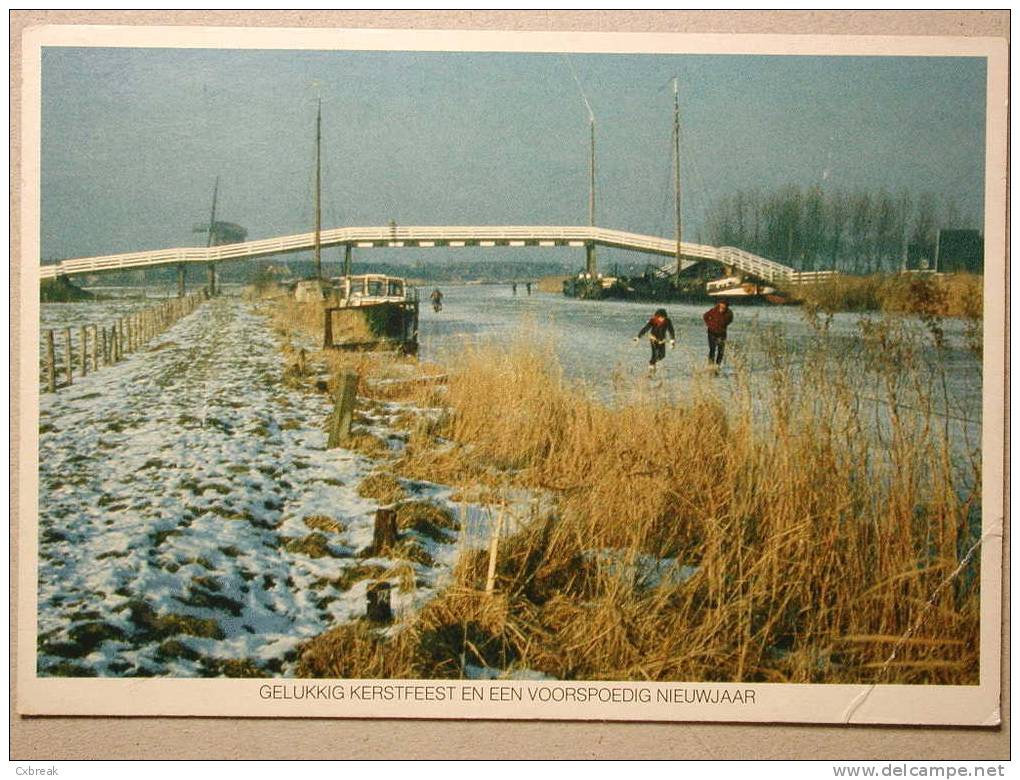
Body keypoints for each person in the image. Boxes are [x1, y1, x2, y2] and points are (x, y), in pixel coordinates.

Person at [703, 300, 734, 367]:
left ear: (726, 306)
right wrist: (709, 324)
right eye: (721, 305)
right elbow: (705, 316)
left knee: (721, 350)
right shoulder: (714, 310)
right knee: (712, 349)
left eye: (724, 306)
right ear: (719, 304)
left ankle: (718, 365)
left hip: (722, 334)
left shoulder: (729, 313)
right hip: (711, 332)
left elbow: (730, 320)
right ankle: (710, 365)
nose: (722, 307)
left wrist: (724, 325)